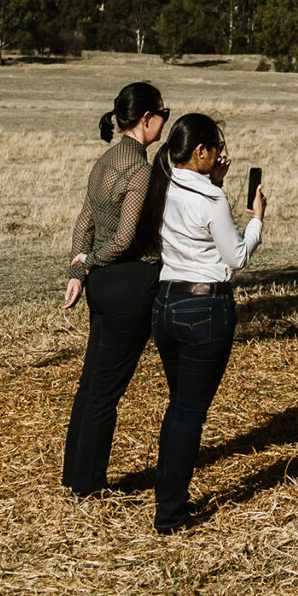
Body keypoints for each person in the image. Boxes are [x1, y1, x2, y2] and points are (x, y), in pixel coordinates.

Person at [142, 112, 265, 535]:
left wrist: (215, 182)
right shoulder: (211, 201)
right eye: (217, 149)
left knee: (179, 409)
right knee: (189, 414)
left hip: (165, 304)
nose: (221, 155)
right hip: (204, 309)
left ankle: (167, 495)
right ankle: (171, 511)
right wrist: (257, 220)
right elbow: (237, 257)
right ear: (201, 152)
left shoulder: (165, 183)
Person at [61, 80, 168, 496]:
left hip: (100, 286)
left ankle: (75, 474)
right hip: (126, 284)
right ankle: (90, 485)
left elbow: (84, 221)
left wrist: (78, 271)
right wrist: (86, 265)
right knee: (107, 390)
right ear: (146, 118)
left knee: (91, 383)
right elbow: (124, 239)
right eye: (164, 114)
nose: (164, 122)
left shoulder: (104, 161)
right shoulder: (139, 169)